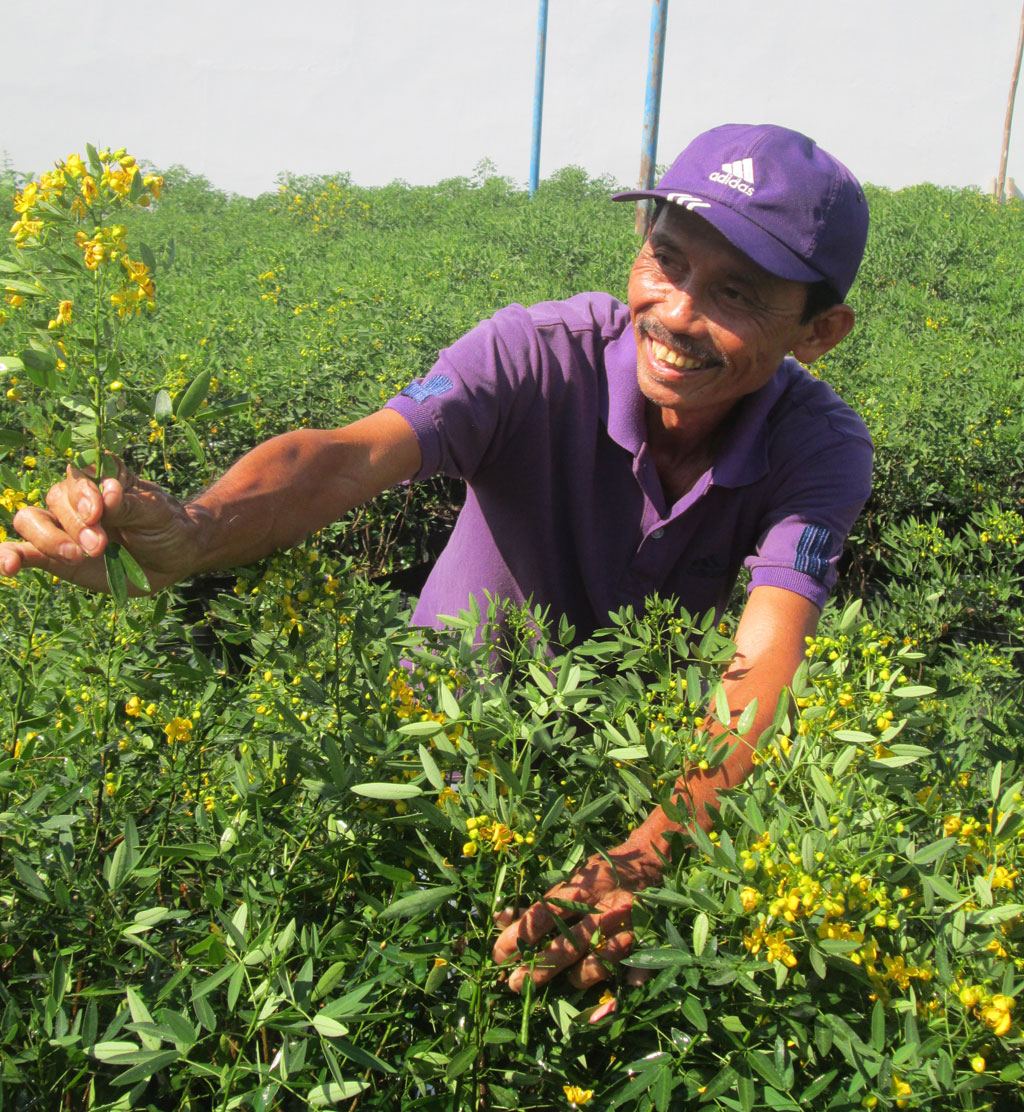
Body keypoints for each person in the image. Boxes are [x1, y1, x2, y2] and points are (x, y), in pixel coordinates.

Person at [0, 123, 873, 999]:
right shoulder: (533, 355)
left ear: (819, 331)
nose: (678, 313)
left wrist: (642, 857)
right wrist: (194, 532)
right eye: (668, 261)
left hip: (614, 797)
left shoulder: (819, 448)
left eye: (736, 295)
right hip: (423, 762)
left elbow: (763, 663)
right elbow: (345, 457)